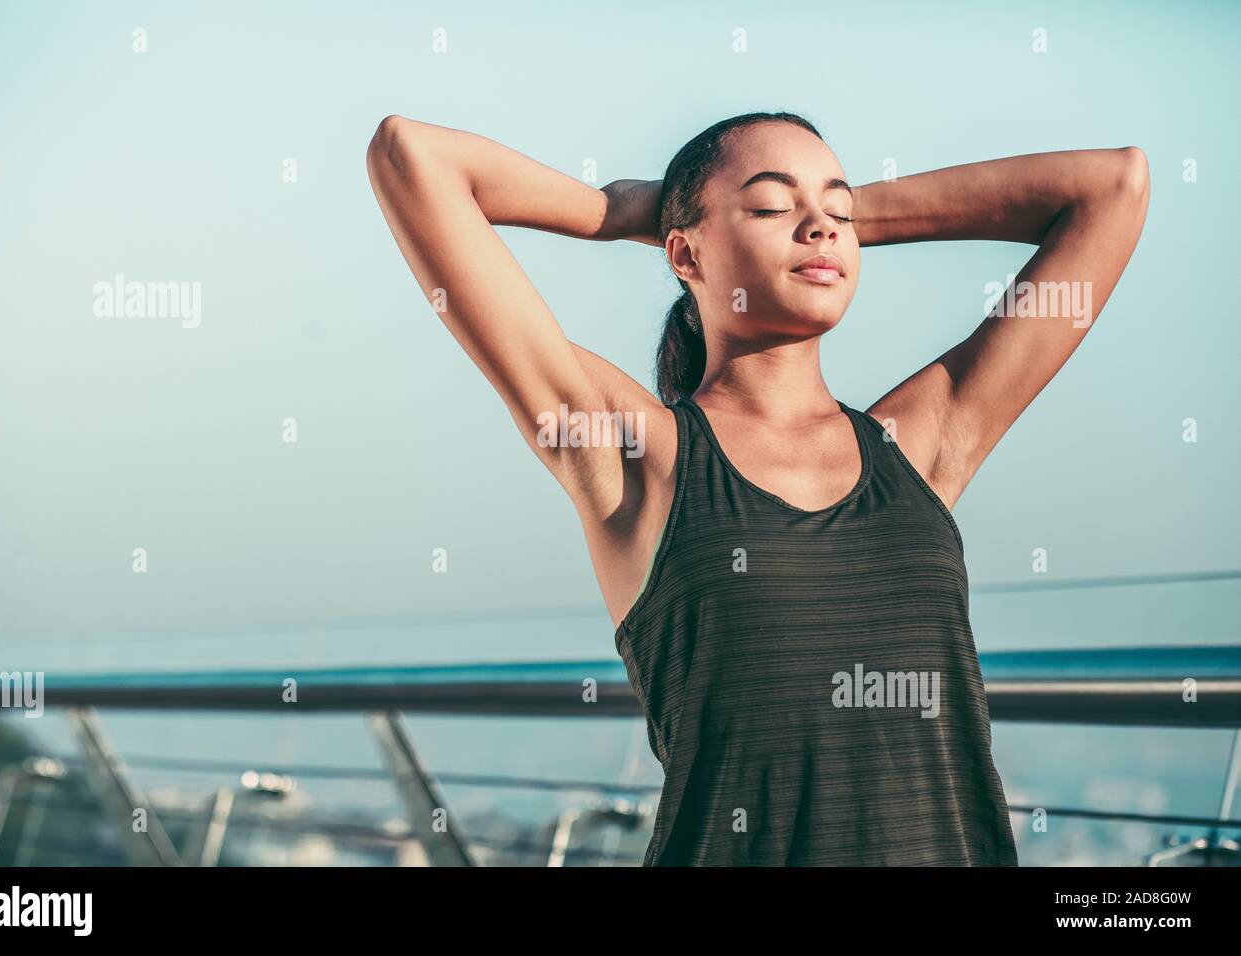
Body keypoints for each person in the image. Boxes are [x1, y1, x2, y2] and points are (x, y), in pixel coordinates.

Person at [364, 111, 1149, 865]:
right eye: (772, 204)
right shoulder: (639, 455)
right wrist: (631, 211)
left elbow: (1112, 188)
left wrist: (825, 219)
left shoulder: (920, 444)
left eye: (836, 210)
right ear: (684, 256)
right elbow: (413, 157)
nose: (820, 227)